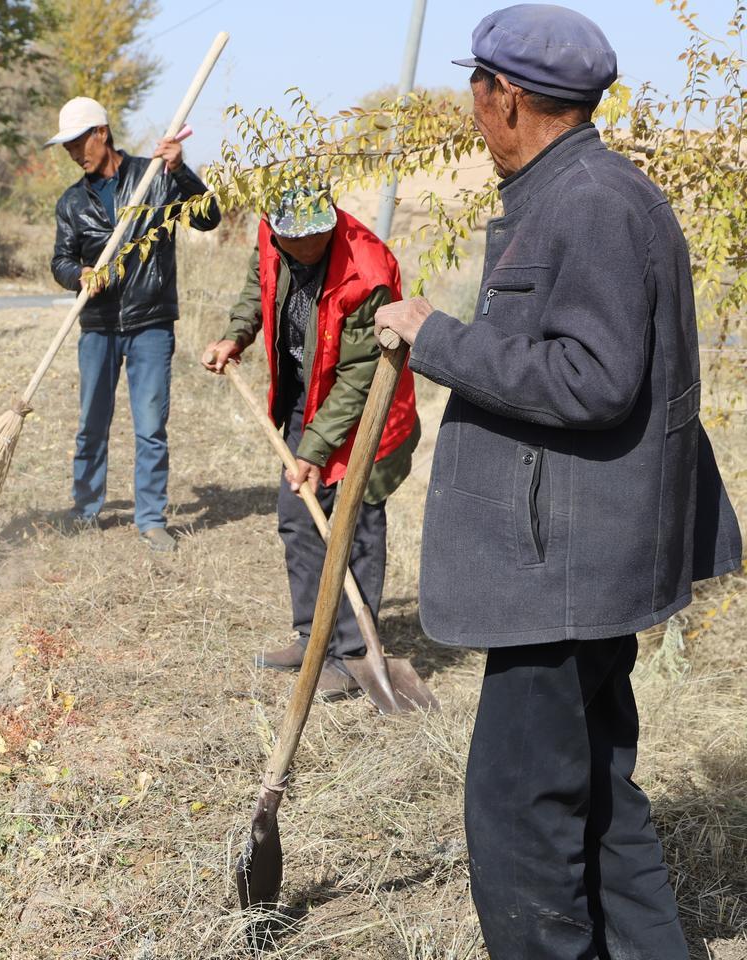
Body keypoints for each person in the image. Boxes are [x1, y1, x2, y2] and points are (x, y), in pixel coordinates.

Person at [372, 7, 742, 958]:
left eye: (477, 88)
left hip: (564, 569)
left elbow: (592, 378)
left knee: (521, 809)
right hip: (572, 558)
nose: (471, 108)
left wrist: (436, 339)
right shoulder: (568, 192)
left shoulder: (592, 204)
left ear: (514, 96)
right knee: (599, 796)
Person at [201, 187, 418, 698]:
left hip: (368, 413)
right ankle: (310, 637)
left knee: (354, 527)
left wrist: (313, 450)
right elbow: (262, 284)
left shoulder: (368, 271)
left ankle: (350, 655)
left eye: (317, 240)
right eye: (293, 242)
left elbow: (361, 375)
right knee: (298, 518)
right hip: (309, 394)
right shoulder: (271, 235)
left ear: (330, 221)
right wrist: (238, 334)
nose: (306, 250)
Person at [48, 96, 221, 552]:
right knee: (91, 422)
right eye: (66, 147)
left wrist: (181, 170)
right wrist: (78, 275)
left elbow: (208, 217)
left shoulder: (155, 179)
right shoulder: (71, 202)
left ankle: (150, 517)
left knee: (150, 425)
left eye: (77, 141)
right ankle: (85, 509)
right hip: (99, 326)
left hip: (151, 324)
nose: (73, 152)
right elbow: (61, 260)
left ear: (101, 133)